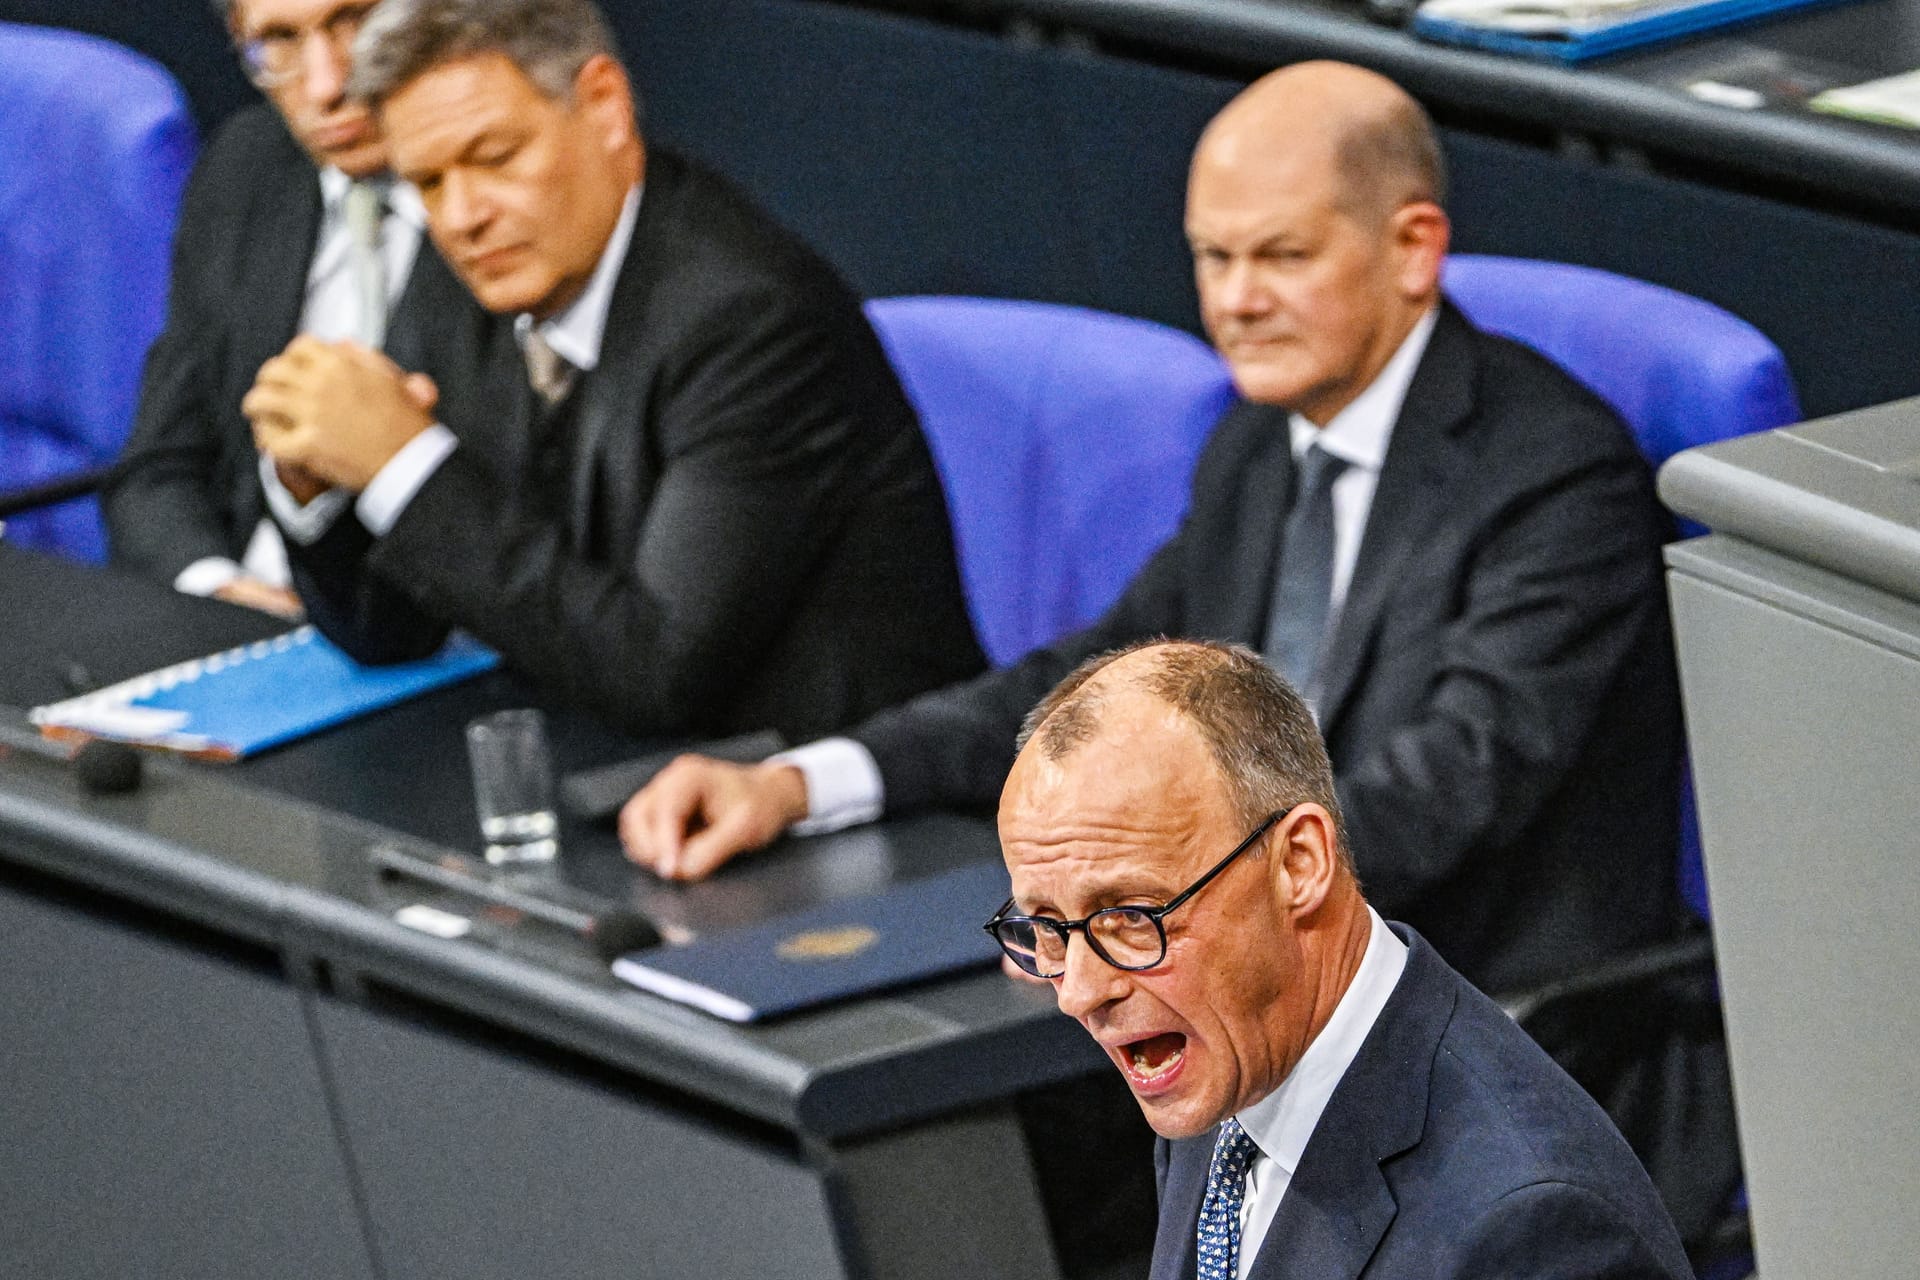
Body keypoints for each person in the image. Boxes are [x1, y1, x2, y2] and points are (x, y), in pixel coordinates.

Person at [621, 61, 1682, 1004]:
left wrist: (1149, 920)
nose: (1236, 301)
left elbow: (1446, 788)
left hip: (1477, 1017)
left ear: (1413, 248)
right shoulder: (1262, 446)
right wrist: (807, 780)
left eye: (1281, 256)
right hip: (1245, 990)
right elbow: (1101, 677)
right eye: (1213, 259)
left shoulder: (1555, 475)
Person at [239, 0, 983, 739]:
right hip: (604, 773)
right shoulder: (468, 277)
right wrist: (329, 487)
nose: (463, 215)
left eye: (495, 158)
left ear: (602, 104)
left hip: (832, 799)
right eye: (428, 183)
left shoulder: (750, 321)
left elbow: (656, 669)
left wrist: (402, 465)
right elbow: (393, 631)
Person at [992, 639, 1691, 1279]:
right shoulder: (1227, 1074)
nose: (1079, 992)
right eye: (1047, 926)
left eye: (1130, 918)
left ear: (1299, 864)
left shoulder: (1530, 1228)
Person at [104, 0, 496, 620]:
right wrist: (218, 592)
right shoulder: (246, 167)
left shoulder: (508, 214)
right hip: (237, 618)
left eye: (356, 22)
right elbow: (157, 466)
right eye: (280, 42)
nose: (327, 85)